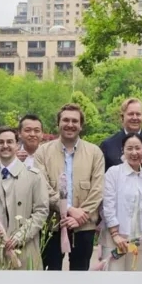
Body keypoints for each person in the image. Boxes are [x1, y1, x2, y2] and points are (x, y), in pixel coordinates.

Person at [35, 103, 106, 271]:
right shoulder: (42, 152)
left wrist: (82, 214)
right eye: (65, 120)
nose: (70, 124)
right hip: (52, 225)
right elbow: (42, 187)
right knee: (50, 275)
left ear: (81, 126)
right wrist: (69, 209)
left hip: (84, 225)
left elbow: (98, 189)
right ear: (58, 123)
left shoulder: (94, 152)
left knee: (80, 275)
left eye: (75, 121)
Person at [100, 98, 142, 271]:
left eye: (138, 114)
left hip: (141, 232)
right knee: (114, 276)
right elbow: (108, 203)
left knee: (138, 275)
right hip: (116, 232)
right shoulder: (110, 153)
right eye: (131, 114)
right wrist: (115, 233)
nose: (134, 152)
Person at [0, 127, 49, 270]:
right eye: (1, 142)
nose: (5, 145)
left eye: (9, 142)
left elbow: (41, 211)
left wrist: (21, 236)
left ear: (17, 145)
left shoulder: (34, 176)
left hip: (24, 248)